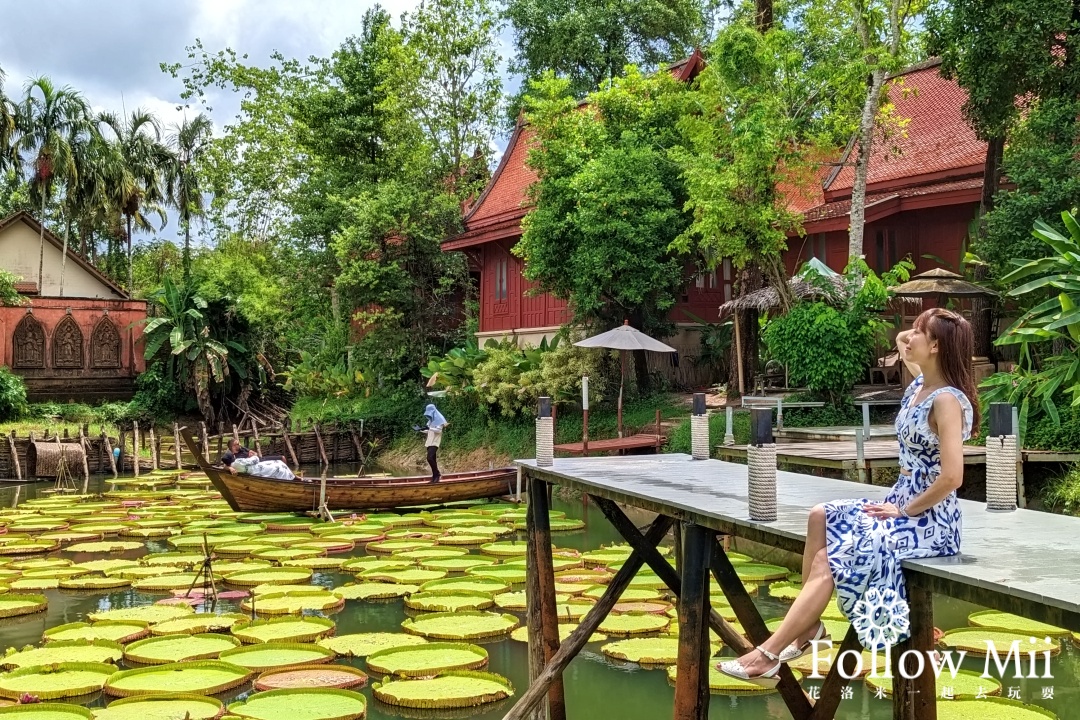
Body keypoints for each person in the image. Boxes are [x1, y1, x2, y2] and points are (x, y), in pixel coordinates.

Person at [718, 308, 979, 687]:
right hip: (900, 500)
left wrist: (904, 509)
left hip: (930, 520)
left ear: (936, 345)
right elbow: (902, 342)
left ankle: (768, 654)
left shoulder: (946, 401)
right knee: (820, 515)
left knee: (828, 558)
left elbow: (953, 477)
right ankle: (809, 633)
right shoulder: (919, 386)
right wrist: (928, 323)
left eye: (920, 333)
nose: (909, 338)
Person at [221, 439, 296, 481]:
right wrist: (230, 468)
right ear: (233, 446)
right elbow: (226, 465)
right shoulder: (234, 457)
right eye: (237, 444)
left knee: (282, 458)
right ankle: (287, 478)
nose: (240, 445)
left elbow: (255, 454)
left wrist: (253, 454)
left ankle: (290, 476)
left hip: (260, 460)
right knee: (277, 465)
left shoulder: (242, 449)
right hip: (256, 465)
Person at [414, 404, 448, 482]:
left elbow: (439, 431)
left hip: (435, 441)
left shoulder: (439, 419)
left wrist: (430, 428)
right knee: (433, 459)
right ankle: (435, 476)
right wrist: (420, 429)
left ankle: (437, 474)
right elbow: (428, 430)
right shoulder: (431, 420)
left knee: (429, 458)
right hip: (429, 441)